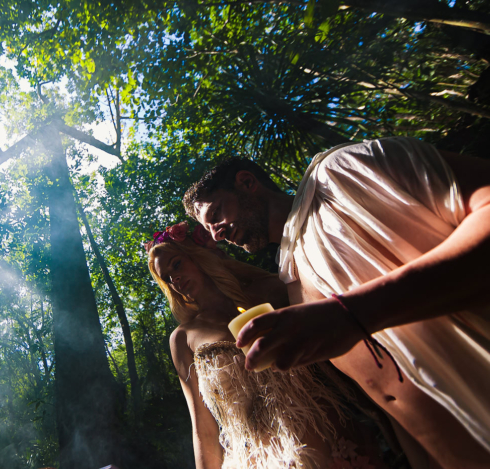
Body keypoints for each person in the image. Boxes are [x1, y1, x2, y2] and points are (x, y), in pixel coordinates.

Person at [183, 137, 490, 468]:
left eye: (216, 214)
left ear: (247, 183)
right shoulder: (294, 282)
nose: (216, 234)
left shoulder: (339, 174)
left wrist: (351, 314)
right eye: (209, 229)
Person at [146, 221, 388, 469]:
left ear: (198, 256)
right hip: (260, 458)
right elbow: (203, 427)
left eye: (177, 264)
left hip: (330, 436)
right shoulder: (183, 338)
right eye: (167, 277)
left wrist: (381, 413)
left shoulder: (271, 291)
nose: (174, 277)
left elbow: (338, 348)